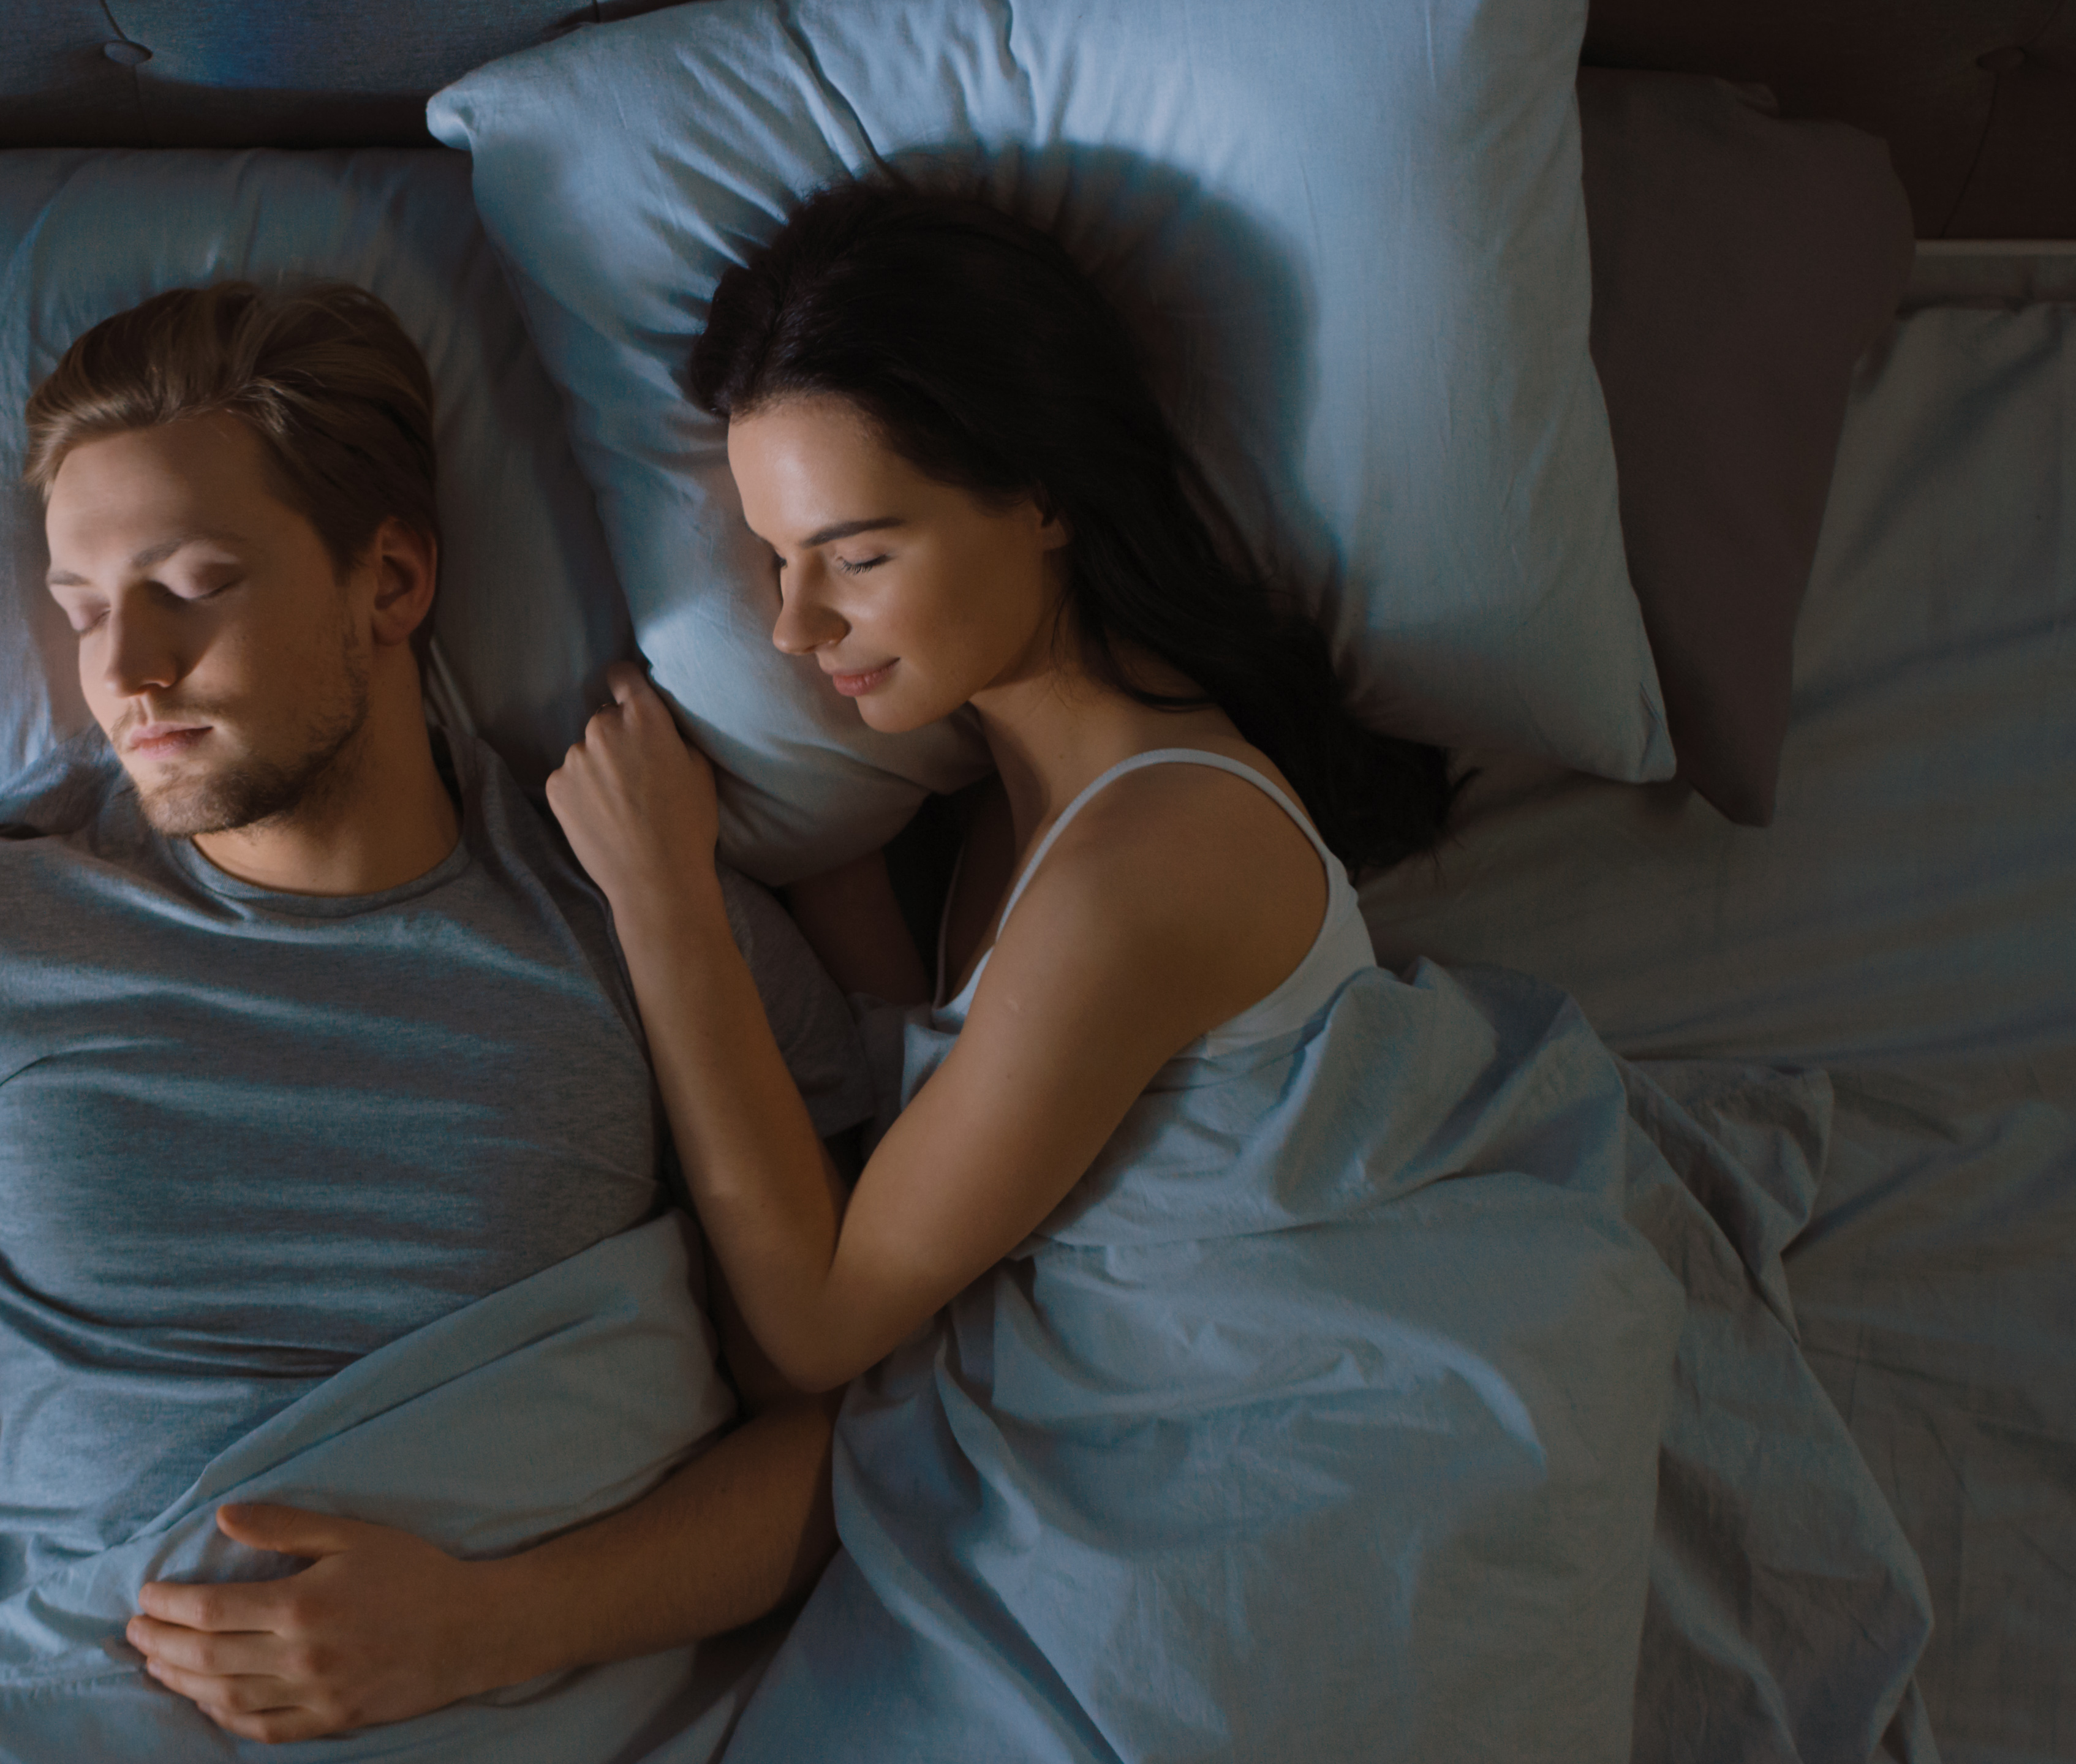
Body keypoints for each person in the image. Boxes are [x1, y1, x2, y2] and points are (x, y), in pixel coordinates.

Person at [0, 279, 867, 1764]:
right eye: (83, 606)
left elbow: (845, 1425)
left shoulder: (641, 924)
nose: (124, 670)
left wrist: (497, 1625)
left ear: (394, 581)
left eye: (194, 582)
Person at [547, 183, 1683, 1758]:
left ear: (1047, 500)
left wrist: (659, 895)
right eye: (769, 556)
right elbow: (907, 1103)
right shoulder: (990, 812)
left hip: (1279, 1455)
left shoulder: (1144, 864)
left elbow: (814, 1321)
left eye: (855, 555)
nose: (796, 623)